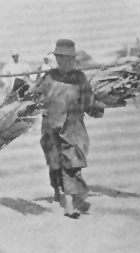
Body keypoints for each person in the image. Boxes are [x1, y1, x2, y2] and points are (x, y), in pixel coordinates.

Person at [31, 39, 105, 219]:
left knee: (72, 164)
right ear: (56, 58)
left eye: (68, 59)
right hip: (51, 127)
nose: (64, 62)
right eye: (61, 58)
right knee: (54, 163)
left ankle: (70, 205)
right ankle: (57, 189)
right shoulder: (48, 77)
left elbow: (88, 101)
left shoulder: (79, 78)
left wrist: (97, 107)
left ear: (73, 60)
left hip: (72, 128)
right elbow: (35, 97)